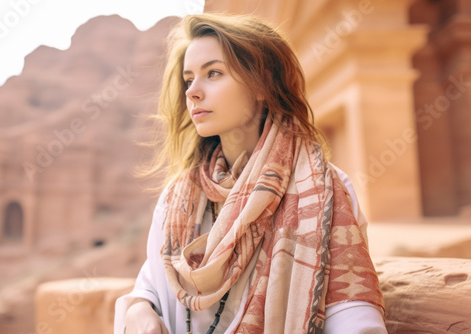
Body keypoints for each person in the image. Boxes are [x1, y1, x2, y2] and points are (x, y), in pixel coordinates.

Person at [115, 13, 387, 334]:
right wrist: (138, 309)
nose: (192, 92)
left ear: (261, 85)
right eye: (189, 79)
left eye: (213, 73)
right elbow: (153, 283)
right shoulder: (178, 198)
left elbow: (353, 318)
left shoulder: (325, 189)